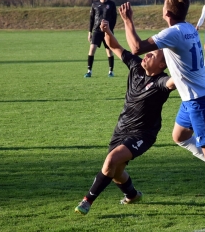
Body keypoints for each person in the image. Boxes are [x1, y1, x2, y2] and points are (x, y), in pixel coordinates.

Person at [118, 0, 205, 228]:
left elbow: (136, 47)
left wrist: (127, 20)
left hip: (201, 100)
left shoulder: (174, 32)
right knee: (179, 136)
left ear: (166, 12)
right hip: (192, 100)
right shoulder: (187, 28)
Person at [75, 19, 176, 215]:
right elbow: (114, 46)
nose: (146, 55)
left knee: (111, 160)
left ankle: (87, 200)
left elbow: (173, 82)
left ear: (162, 64)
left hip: (142, 134)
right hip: (121, 128)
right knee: (116, 172)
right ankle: (132, 195)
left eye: (152, 54)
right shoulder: (136, 66)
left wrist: (184, 67)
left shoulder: (161, 82)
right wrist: (107, 30)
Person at [84, 0, 117, 78]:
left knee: (109, 51)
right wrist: (90, 32)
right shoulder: (95, 4)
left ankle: (111, 71)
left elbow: (114, 18)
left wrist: (110, 30)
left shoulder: (111, 4)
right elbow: (91, 19)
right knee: (92, 49)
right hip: (97, 31)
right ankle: (89, 71)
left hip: (107, 31)